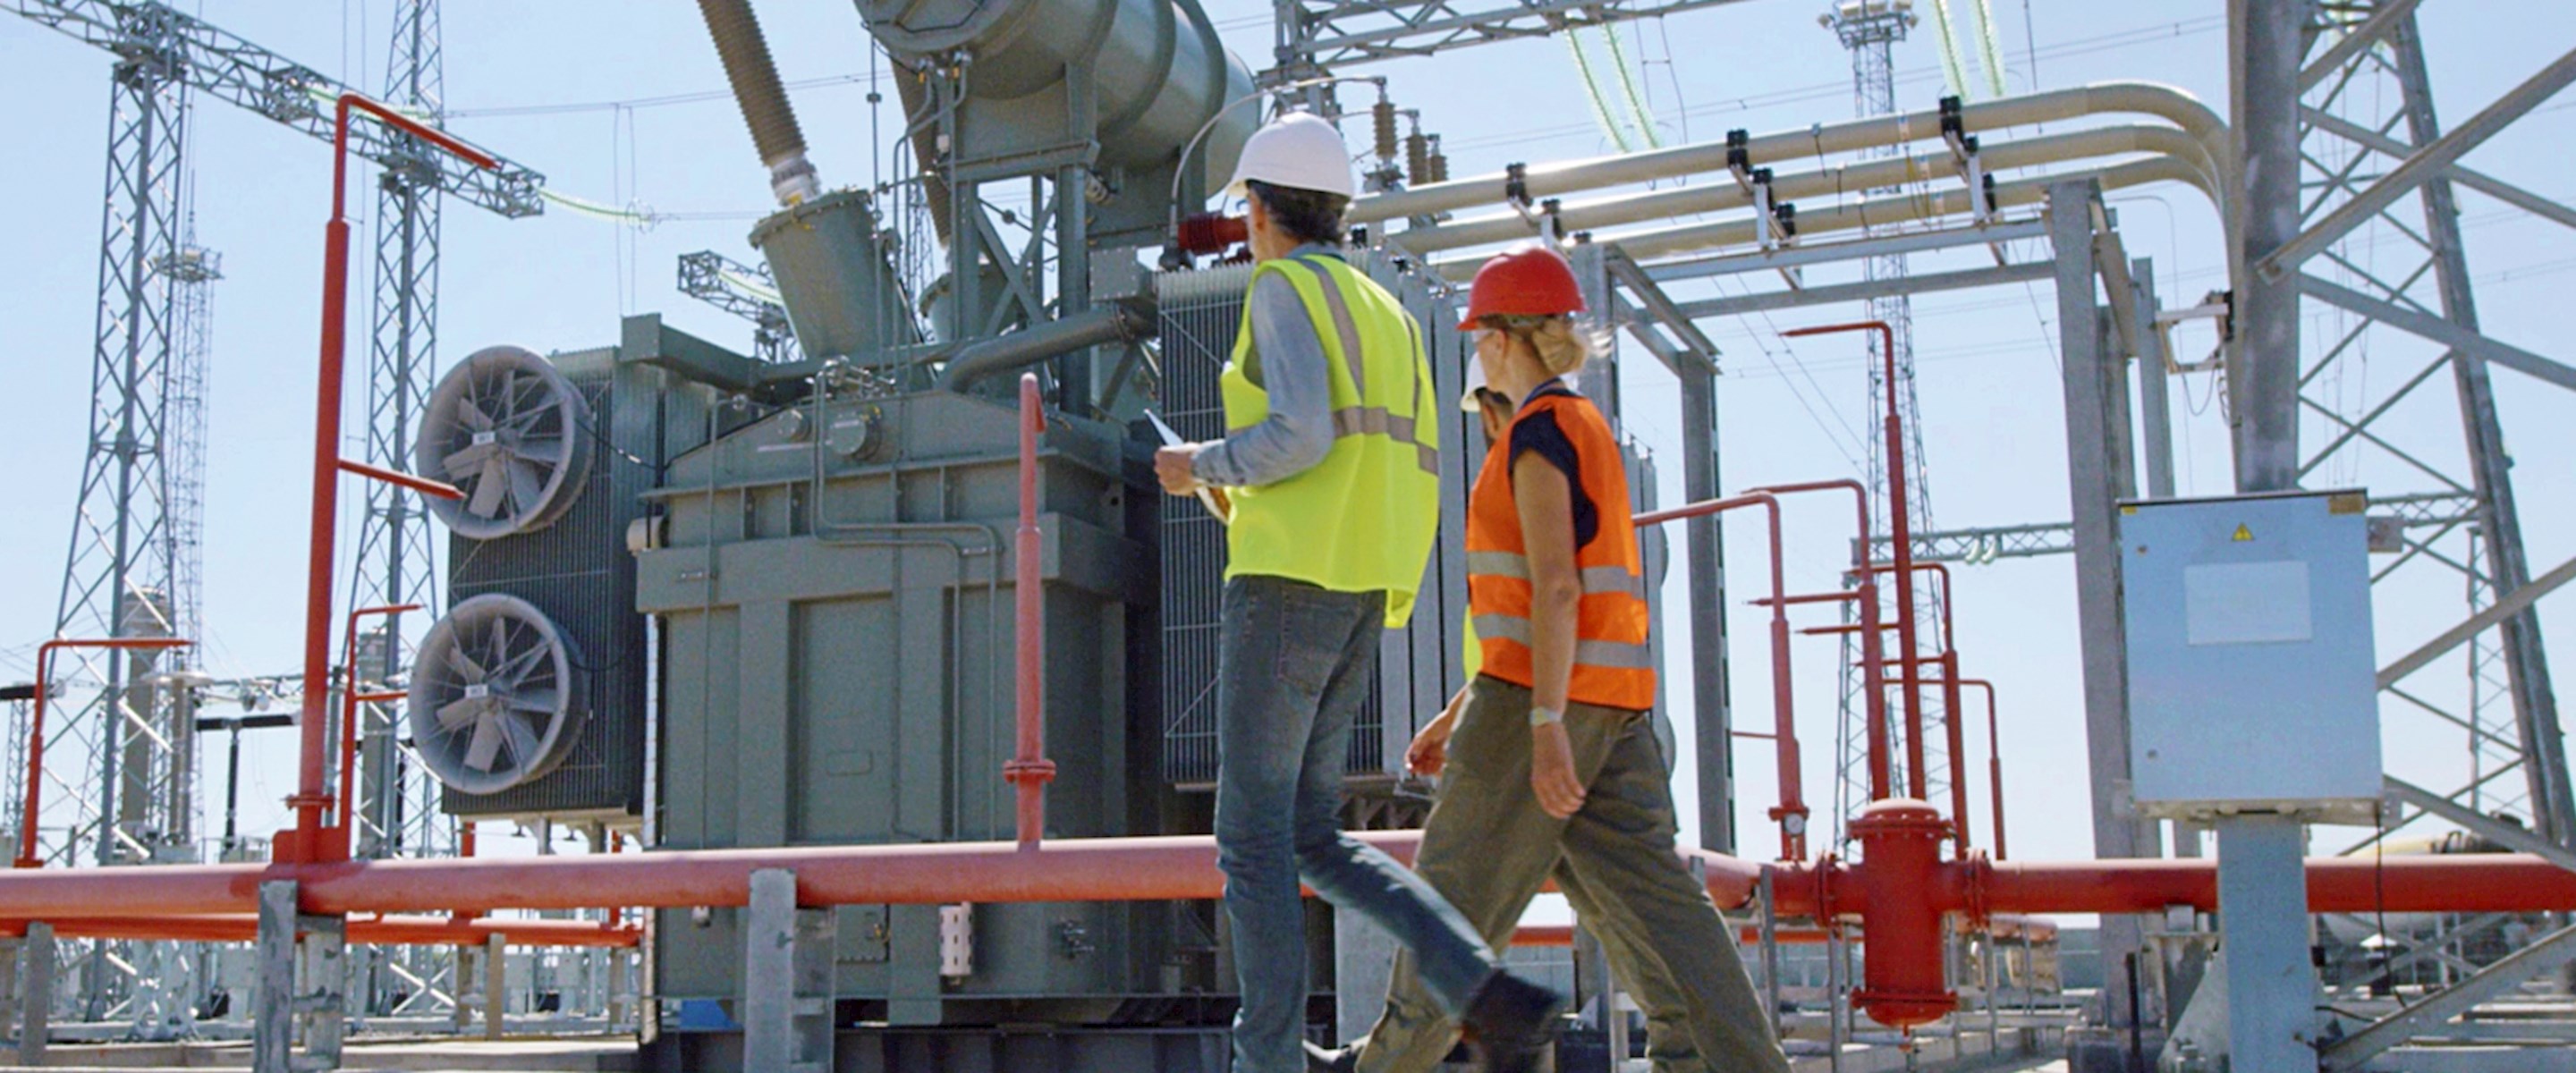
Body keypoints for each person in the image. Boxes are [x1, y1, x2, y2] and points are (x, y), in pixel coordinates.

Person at [1310, 246, 1793, 1073]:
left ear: (1501, 339)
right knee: (1658, 908)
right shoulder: (1584, 426)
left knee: (1452, 899)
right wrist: (1459, 711)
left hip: (1539, 705)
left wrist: (1541, 724)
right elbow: (1556, 603)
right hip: (1612, 705)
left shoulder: (1536, 435)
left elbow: (1557, 587)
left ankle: (1379, 1067)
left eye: (1479, 337)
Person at [1153, 113, 1566, 1073]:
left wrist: (1199, 464)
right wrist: (1246, 484)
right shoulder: (1384, 307)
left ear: (1260, 210)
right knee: (1312, 838)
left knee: (1251, 841)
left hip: (1288, 583)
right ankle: (1485, 990)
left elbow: (1301, 436)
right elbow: (1367, 454)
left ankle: (1268, 1061)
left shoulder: (1283, 287)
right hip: (1363, 588)